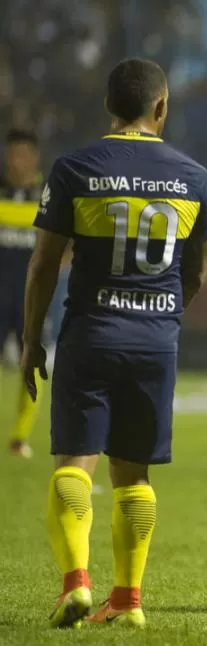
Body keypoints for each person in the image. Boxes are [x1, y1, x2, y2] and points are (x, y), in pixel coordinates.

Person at [21, 58, 207, 629]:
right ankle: (127, 602)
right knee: (134, 476)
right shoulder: (193, 176)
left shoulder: (75, 168)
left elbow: (43, 265)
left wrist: (32, 341)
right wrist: (163, 318)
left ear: (109, 107)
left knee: (73, 466)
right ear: (161, 107)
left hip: (91, 334)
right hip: (155, 340)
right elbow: (196, 271)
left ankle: (77, 584)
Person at [1, 128, 45, 458]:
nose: (17, 160)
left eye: (23, 154)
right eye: (12, 153)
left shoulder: (48, 194)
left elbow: (67, 241)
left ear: (34, 157)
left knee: (31, 363)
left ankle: (19, 438)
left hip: (30, 296)